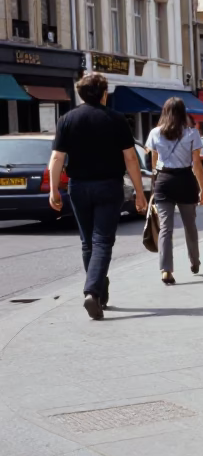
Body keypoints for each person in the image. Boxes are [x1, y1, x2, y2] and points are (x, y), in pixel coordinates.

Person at [47, 72, 147, 319]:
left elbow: (57, 158)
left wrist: (53, 190)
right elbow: (131, 158)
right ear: (104, 93)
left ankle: (99, 292)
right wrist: (139, 192)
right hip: (109, 186)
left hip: (79, 186)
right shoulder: (116, 119)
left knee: (87, 241)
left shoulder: (67, 119)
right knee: (103, 240)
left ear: (80, 94)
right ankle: (93, 291)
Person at [145, 98, 203, 285]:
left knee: (165, 228)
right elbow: (196, 164)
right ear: (183, 113)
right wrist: (202, 189)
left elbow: (154, 162)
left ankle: (166, 270)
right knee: (190, 225)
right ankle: (194, 261)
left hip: (164, 181)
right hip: (185, 180)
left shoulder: (155, 133)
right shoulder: (192, 133)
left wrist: (156, 183)